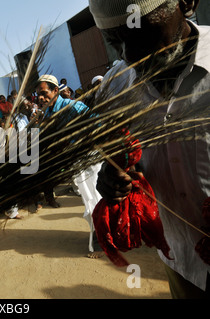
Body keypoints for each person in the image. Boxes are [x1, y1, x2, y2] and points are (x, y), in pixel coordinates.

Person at [89, 0, 210, 298]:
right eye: (115, 41)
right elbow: (124, 157)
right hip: (181, 262)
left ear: (187, 3)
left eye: (140, 32)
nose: (128, 55)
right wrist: (116, 176)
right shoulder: (115, 89)